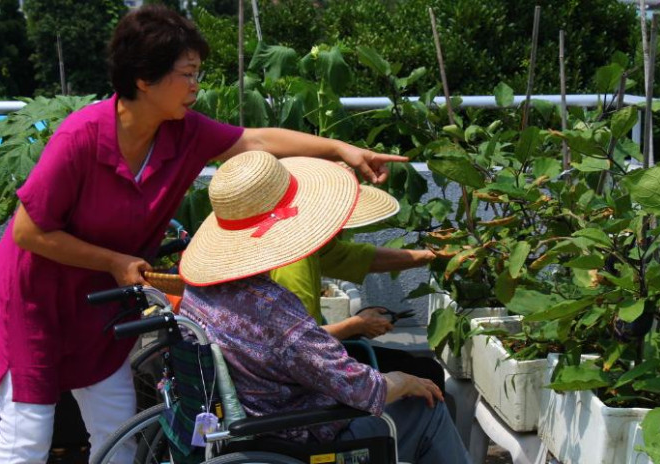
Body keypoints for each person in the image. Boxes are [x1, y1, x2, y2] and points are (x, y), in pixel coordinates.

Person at [0, 6, 406, 463]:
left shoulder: (181, 133)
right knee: (29, 433)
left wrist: (340, 148)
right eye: (187, 73)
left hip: (105, 300)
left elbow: (256, 141)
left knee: (115, 425)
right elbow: (29, 233)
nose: (196, 85)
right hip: (39, 298)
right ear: (143, 78)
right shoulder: (81, 138)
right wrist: (113, 261)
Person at [178, 151, 470, 463]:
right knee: (426, 407)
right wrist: (403, 381)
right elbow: (358, 387)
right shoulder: (272, 307)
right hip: (300, 437)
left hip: (248, 424)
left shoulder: (200, 291)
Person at [269, 186, 446, 392]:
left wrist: (432, 255)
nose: (344, 228)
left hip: (306, 360)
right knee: (427, 372)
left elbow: (361, 258)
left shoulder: (303, 243)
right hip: (303, 374)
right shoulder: (294, 265)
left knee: (413, 365)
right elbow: (301, 343)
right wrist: (356, 325)